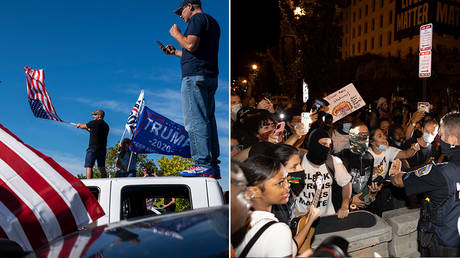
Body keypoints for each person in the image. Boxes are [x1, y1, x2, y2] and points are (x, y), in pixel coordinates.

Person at [162, 0, 221, 178]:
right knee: (208, 120)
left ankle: (201, 163)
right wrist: (175, 53)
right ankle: (212, 164)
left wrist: (177, 34)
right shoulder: (212, 22)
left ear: (189, 6)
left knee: (195, 120)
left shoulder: (197, 19)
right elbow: (195, 51)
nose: (180, 15)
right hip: (208, 75)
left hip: (194, 77)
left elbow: (190, 45)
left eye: (181, 11)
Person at [389, 111, 460, 256]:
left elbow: (399, 181)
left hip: (443, 245)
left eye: (442, 135)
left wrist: (393, 173)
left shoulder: (441, 173)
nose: (439, 139)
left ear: (452, 140)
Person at [235, 155, 319, 257]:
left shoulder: (237, 222)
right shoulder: (278, 230)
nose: (287, 184)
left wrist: (309, 220)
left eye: (287, 179)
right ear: (254, 191)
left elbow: (292, 246)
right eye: (280, 182)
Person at [295, 128, 352, 219]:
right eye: (323, 144)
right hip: (301, 218)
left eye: (329, 145)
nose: (327, 148)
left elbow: (346, 183)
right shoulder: (298, 162)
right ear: (313, 143)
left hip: (326, 218)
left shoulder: (333, 162)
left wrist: (344, 206)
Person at [337, 122, 380, 210]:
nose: (364, 138)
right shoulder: (341, 157)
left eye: (366, 135)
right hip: (343, 209)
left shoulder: (369, 158)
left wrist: (372, 193)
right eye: (360, 135)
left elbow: (366, 187)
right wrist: (350, 199)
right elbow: (333, 190)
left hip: (362, 210)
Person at [76, 109, 109, 179]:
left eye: (95, 115)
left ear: (99, 116)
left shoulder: (94, 122)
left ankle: (89, 183)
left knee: (89, 166)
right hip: (102, 149)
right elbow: (93, 131)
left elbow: (83, 126)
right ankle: (105, 181)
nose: (93, 116)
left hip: (93, 148)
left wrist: (79, 125)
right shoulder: (106, 126)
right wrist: (86, 128)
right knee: (101, 167)